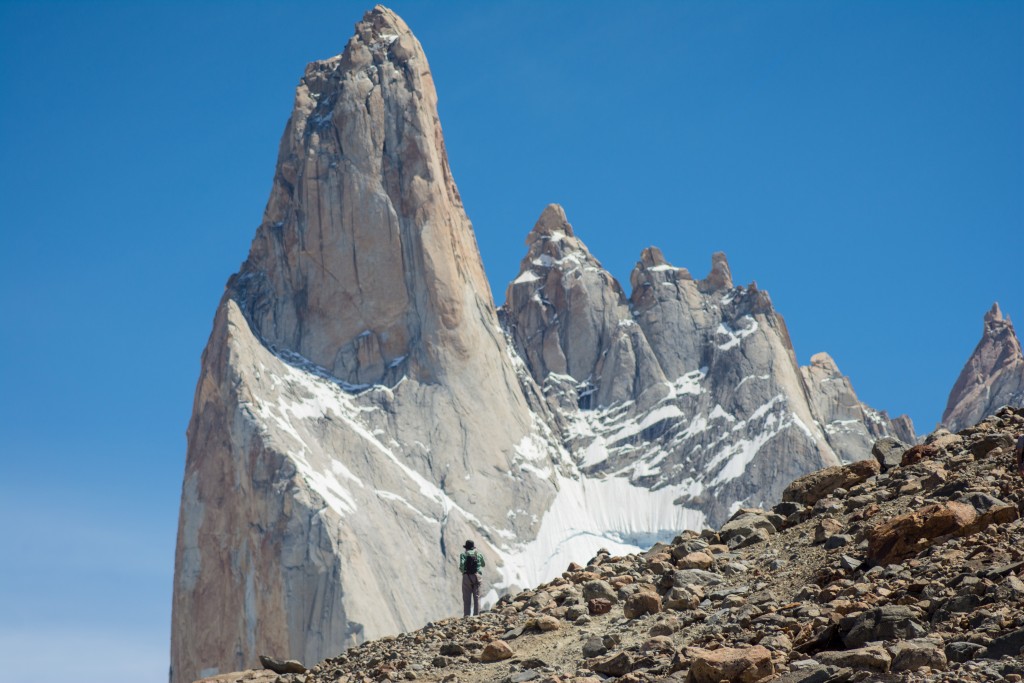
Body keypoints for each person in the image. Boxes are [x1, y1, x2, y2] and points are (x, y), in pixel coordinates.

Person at [459, 539, 485, 616]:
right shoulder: (478, 554)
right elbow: (483, 564)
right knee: (477, 597)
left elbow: (461, 566)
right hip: (477, 576)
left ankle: (467, 616)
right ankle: (476, 615)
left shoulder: (463, 555)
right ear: (473, 547)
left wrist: (464, 572)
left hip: (466, 576)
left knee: (467, 598)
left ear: (466, 548)